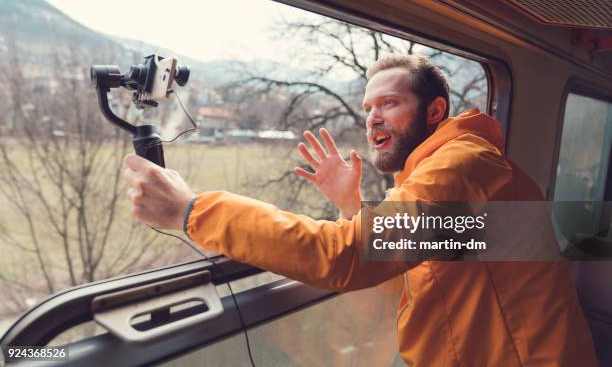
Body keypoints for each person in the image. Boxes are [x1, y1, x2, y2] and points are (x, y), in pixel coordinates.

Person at [123, 54, 597, 365]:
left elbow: (345, 255)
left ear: (435, 112)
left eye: (389, 103)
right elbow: (425, 257)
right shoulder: (450, 178)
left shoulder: (463, 167)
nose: (372, 116)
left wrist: (192, 210)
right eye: (368, 106)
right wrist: (354, 206)